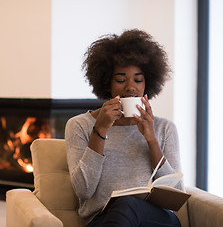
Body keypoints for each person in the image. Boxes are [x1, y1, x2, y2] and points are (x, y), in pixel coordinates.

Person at [65, 29, 182, 227]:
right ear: (106, 83)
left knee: (129, 203)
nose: (130, 87)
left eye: (138, 80)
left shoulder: (164, 128)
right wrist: (100, 130)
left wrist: (151, 139)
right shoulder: (80, 125)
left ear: (148, 83)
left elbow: (176, 192)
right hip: (104, 220)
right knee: (124, 206)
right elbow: (84, 191)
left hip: (156, 220)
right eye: (120, 80)